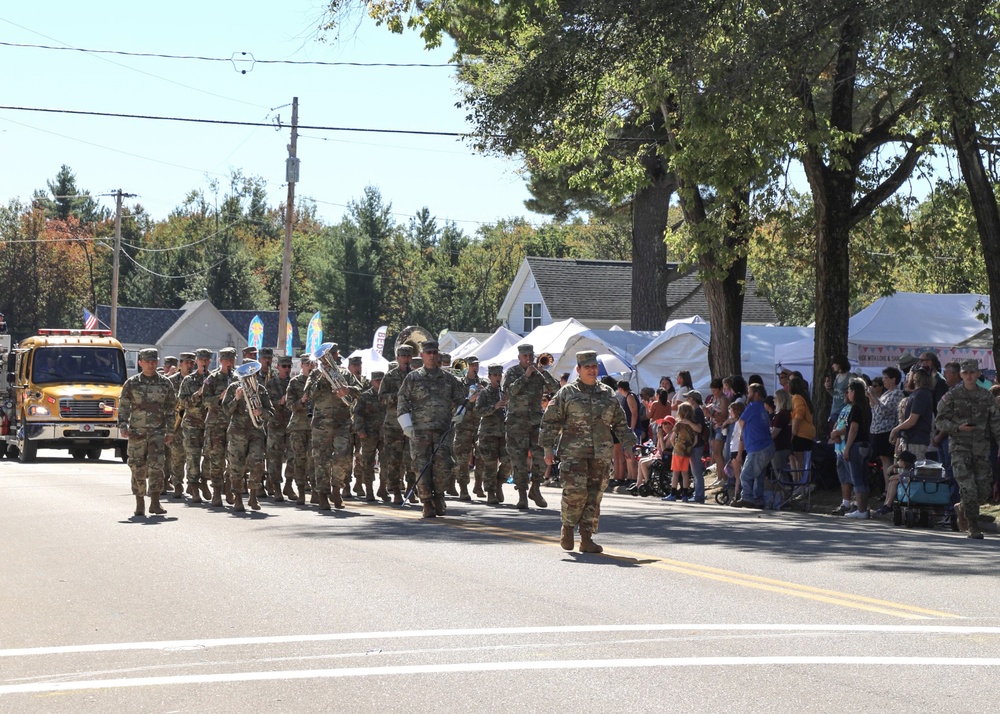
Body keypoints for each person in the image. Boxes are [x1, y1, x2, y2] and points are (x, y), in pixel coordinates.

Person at [540, 350, 636, 553]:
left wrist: (628, 445)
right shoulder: (567, 393)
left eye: (594, 367)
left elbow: (620, 423)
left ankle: (586, 538)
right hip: (573, 453)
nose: (592, 371)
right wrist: (548, 448)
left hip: (601, 454)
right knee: (575, 493)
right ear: (578, 369)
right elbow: (550, 422)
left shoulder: (608, 394)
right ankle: (567, 528)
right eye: (587, 367)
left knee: (594, 496)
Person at [397, 340, 471, 518]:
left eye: (434, 352)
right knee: (421, 467)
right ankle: (426, 502)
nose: (431, 355)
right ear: (422, 355)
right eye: (428, 352)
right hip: (419, 432)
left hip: (443, 431)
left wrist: (461, 412)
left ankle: (439, 496)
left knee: (443, 467)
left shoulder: (448, 379)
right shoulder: (413, 378)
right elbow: (402, 401)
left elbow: (462, 399)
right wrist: (406, 424)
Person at [934, 359, 1000, 539]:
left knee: (984, 491)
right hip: (959, 449)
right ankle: (973, 525)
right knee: (969, 487)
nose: (969, 376)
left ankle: (962, 507)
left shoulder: (987, 397)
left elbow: (996, 424)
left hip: (981, 449)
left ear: (978, 374)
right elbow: (940, 420)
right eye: (966, 373)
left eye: (973, 372)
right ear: (961, 375)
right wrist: (957, 427)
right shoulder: (952, 396)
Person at [118, 348, 177, 517]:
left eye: (153, 361)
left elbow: (171, 409)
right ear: (140, 363)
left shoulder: (166, 384)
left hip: (157, 432)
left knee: (156, 467)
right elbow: (123, 407)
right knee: (137, 467)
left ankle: (155, 503)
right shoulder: (131, 383)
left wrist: (170, 431)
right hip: (136, 432)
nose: (151, 365)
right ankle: (139, 503)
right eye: (147, 361)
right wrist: (123, 426)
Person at [503, 343, 560, 509]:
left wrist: (543, 373)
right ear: (519, 357)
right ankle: (522, 494)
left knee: (542, 456)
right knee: (518, 460)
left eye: (530, 356)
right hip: (516, 423)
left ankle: (535, 488)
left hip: (535, 422)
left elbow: (556, 389)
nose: (528, 359)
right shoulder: (512, 372)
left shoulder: (539, 373)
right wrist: (525, 376)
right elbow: (508, 392)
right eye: (525, 356)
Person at [307, 343, 359, 511]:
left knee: (342, 458)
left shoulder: (344, 373)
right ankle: (322, 494)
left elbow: (361, 389)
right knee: (321, 460)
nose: (331, 357)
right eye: (327, 354)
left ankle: (336, 489)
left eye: (333, 353)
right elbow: (309, 395)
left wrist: (348, 390)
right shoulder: (315, 374)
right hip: (321, 424)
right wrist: (323, 378)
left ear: (337, 355)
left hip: (342, 423)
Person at [221, 362, 274, 512]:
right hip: (237, 432)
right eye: (245, 375)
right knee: (236, 466)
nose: (249, 377)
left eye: (251, 374)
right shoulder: (233, 388)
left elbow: (271, 412)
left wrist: (261, 412)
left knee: (257, 464)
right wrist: (236, 399)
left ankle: (253, 496)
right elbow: (226, 410)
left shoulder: (261, 390)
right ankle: (238, 497)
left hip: (256, 431)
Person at [379, 344, 416, 505]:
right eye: (403, 356)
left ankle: (410, 489)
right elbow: (381, 398)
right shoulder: (389, 376)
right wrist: (398, 395)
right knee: (394, 460)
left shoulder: (415, 376)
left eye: (408, 356)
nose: (406, 359)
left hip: (412, 424)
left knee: (412, 459)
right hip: (394, 425)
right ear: (397, 357)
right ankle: (395, 490)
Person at [201, 347, 237, 507]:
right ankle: (216, 491)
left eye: (232, 359)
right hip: (216, 424)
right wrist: (219, 397)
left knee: (234, 459)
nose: (229, 362)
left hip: (234, 424)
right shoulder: (212, 378)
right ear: (221, 360)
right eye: (226, 359)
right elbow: (205, 400)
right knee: (216, 459)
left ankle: (228, 488)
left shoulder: (238, 378)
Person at [178, 348, 214, 503]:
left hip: (210, 424)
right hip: (192, 424)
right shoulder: (189, 380)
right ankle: (193, 486)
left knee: (209, 456)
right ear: (197, 361)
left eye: (206, 360)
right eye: (201, 360)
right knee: (193, 457)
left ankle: (204, 481)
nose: (204, 362)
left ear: (210, 361)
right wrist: (197, 394)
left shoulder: (213, 379)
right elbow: (183, 402)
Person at [474, 364, 511, 504]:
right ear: (489, 377)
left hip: (503, 432)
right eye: (495, 375)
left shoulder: (504, 393)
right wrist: (494, 407)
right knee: (490, 464)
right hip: (488, 433)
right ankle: (490, 491)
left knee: (508, 461)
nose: (497, 378)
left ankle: (499, 483)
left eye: (499, 375)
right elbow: (478, 411)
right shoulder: (484, 393)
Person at [451, 355, 486, 501]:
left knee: (481, 457)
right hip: (464, 425)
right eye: (472, 365)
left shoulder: (483, 383)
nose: (475, 368)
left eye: (476, 365)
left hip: (479, 424)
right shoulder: (460, 384)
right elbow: (454, 401)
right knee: (462, 458)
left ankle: (478, 485)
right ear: (467, 367)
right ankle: (463, 488)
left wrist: (483, 392)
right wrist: (468, 397)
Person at [734, 384, 774, 508]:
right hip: (767, 446)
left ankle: (747, 497)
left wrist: (743, 434)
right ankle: (758, 499)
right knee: (759, 474)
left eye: (750, 392)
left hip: (757, 447)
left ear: (756, 394)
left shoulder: (752, 406)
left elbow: (741, 421)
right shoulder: (762, 408)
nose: (748, 395)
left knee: (745, 475)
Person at [840, 379, 874, 519]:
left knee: (857, 478)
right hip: (866, 445)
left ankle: (861, 509)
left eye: (849, 390)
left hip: (857, 445)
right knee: (863, 477)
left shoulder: (856, 408)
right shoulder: (867, 407)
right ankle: (863, 508)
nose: (848, 393)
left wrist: (847, 448)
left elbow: (853, 429)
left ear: (854, 392)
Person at [284, 353, 314, 505]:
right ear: (302, 365)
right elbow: (289, 405)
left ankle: (316, 490)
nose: (310, 366)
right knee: (299, 460)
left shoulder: (318, 381)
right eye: (307, 364)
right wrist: (301, 401)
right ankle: (301, 491)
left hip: (315, 427)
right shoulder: (295, 382)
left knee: (314, 460)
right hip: (298, 427)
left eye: (312, 363)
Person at [352, 370, 386, 502]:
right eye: (377, 381)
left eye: (381, 380)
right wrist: (360, 430)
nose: (379, 383)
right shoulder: (365, 396)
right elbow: (357, 414)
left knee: (386, 463)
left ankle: (383, 488)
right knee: (367, 463)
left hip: (384, 434)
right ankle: (369, 490)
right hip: (369, 434)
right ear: (372, 382)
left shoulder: (386, 395)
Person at [869, 367, 904, 492]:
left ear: (894, 379)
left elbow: (884, 411)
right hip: (877, 431)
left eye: (886, 378)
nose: (883, 381)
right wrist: (871, 397)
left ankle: (890, 490)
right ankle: (886, 489)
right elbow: (875, 409)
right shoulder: (886, 393)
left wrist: (873, 396)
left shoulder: (897, 393)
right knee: (884, 461)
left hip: (887, 431)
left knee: (889, 460)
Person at [164, 352, 194, 498]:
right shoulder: (170, 381)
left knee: (192, 456)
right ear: (180, 364)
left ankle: (192, 484)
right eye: (187, 362)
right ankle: (177, 483)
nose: (189, 365)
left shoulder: (196, 380)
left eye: (192, 363)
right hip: (175, 424)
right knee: (176, 455)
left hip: (193, 424)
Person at [265, 354, 294, 501]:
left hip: (290, 425)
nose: (287, 369)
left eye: (289, 366)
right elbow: (267, 402)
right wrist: (279, 402)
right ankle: (276, 486)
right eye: (284, 366)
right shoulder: (271, 383)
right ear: (278, 367)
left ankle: (288, 484)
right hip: (275, 424)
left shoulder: (293, 383)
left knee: (293, 456)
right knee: (274, 458)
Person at [890, 367, 934, 460]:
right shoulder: (917, 394)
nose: (907, 378)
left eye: (909, 375)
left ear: (915, 377)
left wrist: (895, 430)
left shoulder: (921, 394)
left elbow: (912, 420)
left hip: (916, 442)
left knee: (913, 471)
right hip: (910, 440)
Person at [663, 402, 696, 501]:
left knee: (676, 473)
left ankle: (673, 493)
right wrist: (690, 447)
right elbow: (696, 440)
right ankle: (685, 495)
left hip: (678, 451)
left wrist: (675, 446)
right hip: (687, 451)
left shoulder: (679, 424)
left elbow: (672, 438)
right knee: (685, 473)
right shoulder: (692, 425)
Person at [873, 450, 916, 517]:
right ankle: (886, 504)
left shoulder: (908, 472)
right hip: (905, 490)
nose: (898, 462)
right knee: (892, 482)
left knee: (894, 482)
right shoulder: (907, 471)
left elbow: (891, 477)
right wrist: (894, 466)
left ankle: (889, 505)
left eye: (899, 460)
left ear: (903, 462)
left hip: (907, 492)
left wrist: (894, 466)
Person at [789, 376, 815, 472]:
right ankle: (806, 482)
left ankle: (801, 483)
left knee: (799, 460)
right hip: (808, 433)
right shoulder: (805, 398)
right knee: (806, 460)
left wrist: (794, 430)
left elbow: (799, 413)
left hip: (800, 433)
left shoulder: (797, 398)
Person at [825, 353, 852, 432]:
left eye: (834, 363)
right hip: (834, 411)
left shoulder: (850, 377)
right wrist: (828, 389)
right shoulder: (837, 376)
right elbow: (835, 395)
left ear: (839, 364)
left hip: (843, 412)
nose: (832, 366)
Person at [770, 388, 793, 475]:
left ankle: (786, 488)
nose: (773, 400)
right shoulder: (784, 413)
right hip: (784, 446)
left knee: (780, 474)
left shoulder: (782, 414)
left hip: (779, 447)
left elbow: (774, 433)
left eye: (775, 397)